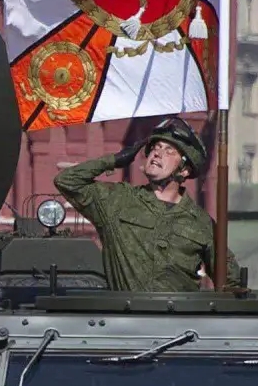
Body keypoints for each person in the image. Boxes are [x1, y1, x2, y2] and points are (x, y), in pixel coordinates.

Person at [53, 117, 237, 292]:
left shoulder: (201, 222)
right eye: (156, 147)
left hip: (179, 313)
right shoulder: (117, 200)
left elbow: (230, 281)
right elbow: (66, 181)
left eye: (169, 151)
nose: (157, 153)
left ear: (184, 170)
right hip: (128, 312)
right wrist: (114, 160)